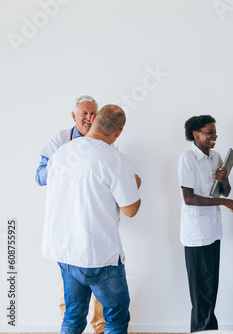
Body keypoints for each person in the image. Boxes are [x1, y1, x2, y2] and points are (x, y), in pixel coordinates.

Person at [42, 105, 141, 334]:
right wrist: (134, 186)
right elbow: (130, 210)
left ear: (94, 119)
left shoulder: (62, 153)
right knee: (115, 318)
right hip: (99, 256)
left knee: (73, 316)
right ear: (119, 132)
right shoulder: (115, 159)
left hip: (65, 251)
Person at [35, 95, 105, 334]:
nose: (89, 118)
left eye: (93, 113)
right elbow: (40, 176)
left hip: (96, 224)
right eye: (84, 113)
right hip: (66, 226)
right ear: (73, 116)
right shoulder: (60, 140)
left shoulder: (106, 141)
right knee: (69, 289)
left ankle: (100, 328)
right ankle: (71, 327)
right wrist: (68, 169)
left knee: (101, 287)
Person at [177, 115, 233, 332]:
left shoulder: (215, 157)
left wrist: (224, 180)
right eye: (209, 132)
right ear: (195, 134)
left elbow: (225, 191)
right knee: (200, 294)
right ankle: (202, 330)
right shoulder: (187, 159)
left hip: (214, 231)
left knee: (210, 289)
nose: (215, 136)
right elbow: (189, 198)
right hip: (196, 235)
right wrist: (224, 202)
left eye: (215, 132)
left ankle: (209, 330)